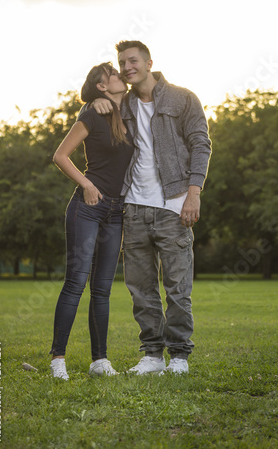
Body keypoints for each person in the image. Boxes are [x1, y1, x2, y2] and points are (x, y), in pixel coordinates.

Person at [91, 41, 212, 375]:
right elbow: (91, 112)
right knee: (140, 288)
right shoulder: (122, 103)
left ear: (148, 62)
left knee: (177, 287)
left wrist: (194, 194)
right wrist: (98, 99)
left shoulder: (182, 98)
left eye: (132, 60)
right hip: (134, 206)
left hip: (174, 205)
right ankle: (152, 356)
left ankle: (179, 357)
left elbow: (201, 144)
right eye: (122, 62)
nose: (127, 67)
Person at [49, 62, 133, 380]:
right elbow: (60, 155)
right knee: (76, 282)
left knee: (103, 289)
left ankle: (100, 361)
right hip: (88, 208)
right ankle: (58, 359)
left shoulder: (130, 113)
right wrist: (86, 185)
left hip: (117, 212)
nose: (120, 75)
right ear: (101, 86)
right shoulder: (91, 115)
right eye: (112, 74)